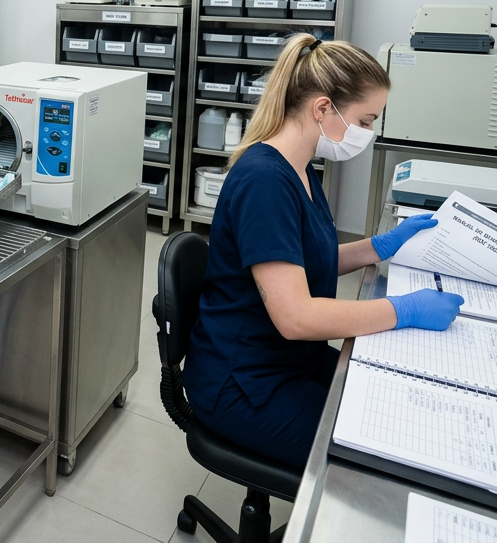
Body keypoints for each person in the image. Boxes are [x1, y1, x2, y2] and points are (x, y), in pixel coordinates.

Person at [181, 33, 464, 468]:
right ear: (322, 108)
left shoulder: (300, 167)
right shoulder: (265, 181)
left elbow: (304, 261)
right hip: (243, 382)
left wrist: (377, 247)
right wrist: (402, 310)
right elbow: (296, 317)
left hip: (290, 360)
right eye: (366, 120)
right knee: (376, 452)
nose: (368, 133)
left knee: (392, 401)